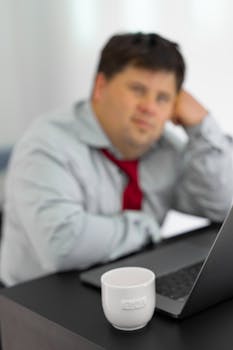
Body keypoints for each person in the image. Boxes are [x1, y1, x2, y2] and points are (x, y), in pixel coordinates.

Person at [1, 32, 233, 286]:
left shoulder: (165, 148)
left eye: (163, 98)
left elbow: (222, 205)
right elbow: (63, 245)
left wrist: (201, 127)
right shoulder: (46, 143)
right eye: (138, 90)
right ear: (100, 87)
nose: (150, 107)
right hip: (35, 301)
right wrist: (144, 227)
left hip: (128, 286)